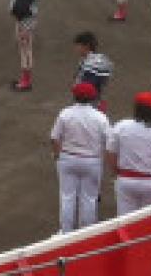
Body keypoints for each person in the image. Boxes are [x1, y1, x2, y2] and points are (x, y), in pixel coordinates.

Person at [51, 82, 110, 233]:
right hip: (92, 161)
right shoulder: (101, 118)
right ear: (93, 98)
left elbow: (55, 138)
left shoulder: (65, 113)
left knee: (67, 197)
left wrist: (58, 156)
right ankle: (86, 233)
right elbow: (108, 141)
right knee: (89, 199)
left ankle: (66, 232)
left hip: (68, 158)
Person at [9, 0, 43, 92]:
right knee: (24, 49)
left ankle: (26, 82)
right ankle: (24, 79)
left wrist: (22, 21)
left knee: (26, 51)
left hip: (26, 20)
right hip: (25, 19)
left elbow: (22, 4)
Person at [73, 32, 113, 103]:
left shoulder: (96, 62)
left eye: (78, 45)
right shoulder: (88, 61)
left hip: (92, 102)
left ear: (87, 46)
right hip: (92, 101)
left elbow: (89, 85)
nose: (76, 49)